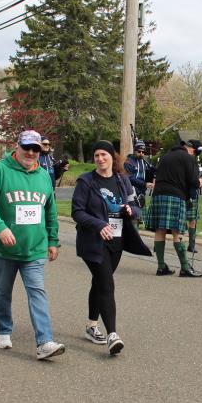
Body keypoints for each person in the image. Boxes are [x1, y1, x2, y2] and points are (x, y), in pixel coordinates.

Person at [0, 130, 64, 361]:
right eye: (27, 147)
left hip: (34, 248)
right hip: (4, 248)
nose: (31, 153)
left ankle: (45, 342)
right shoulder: (0, 171)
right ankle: (4, 329)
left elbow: (50, 210)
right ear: (17, 146)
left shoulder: (44, 176)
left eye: (36, 149)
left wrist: (53, 240)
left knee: (37, 292)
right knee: (1, 292)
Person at [71, 140, 151, 355]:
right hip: (92, 242)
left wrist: (130, 211)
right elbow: (77, 212)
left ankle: (91, 325)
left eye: (103, 155)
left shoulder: (122, 180)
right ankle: (112, 335)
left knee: (100, 282)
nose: (100, 159)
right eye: (96, 155)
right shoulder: (86, 181)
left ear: (111, 157)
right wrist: (99, 225)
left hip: (117, 241)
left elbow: (136, 207)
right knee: (106, 284)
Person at [147, 140, 202, 277]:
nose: (194, 155)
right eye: (195, 153)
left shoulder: (165, 156)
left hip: (157, 195)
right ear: (192, 150)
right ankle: (185, 267)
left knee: (160, 230)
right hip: (175, 196)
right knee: (177, 232)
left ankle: (161, 267)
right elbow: (193, 181)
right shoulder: (188, 158)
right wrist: (200, 181)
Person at [185, 140, 202, 253]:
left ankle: (191, 245)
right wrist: (196, 181)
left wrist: (201, 179)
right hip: (182, 194)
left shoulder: (195, 162)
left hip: (193, 195)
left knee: (193, 220)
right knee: (179, 220)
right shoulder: (184, 160)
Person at [124, 140, 150, 214]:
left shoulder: (144, 162)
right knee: (132, 215)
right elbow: (129, 178)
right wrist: (144, 184)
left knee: (140, 215)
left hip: (142, 192)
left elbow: (148, 175)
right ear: (135, 151)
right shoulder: (128, 162)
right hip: (131, 192)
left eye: (143, 152)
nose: (141, 153)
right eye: (139, 151)